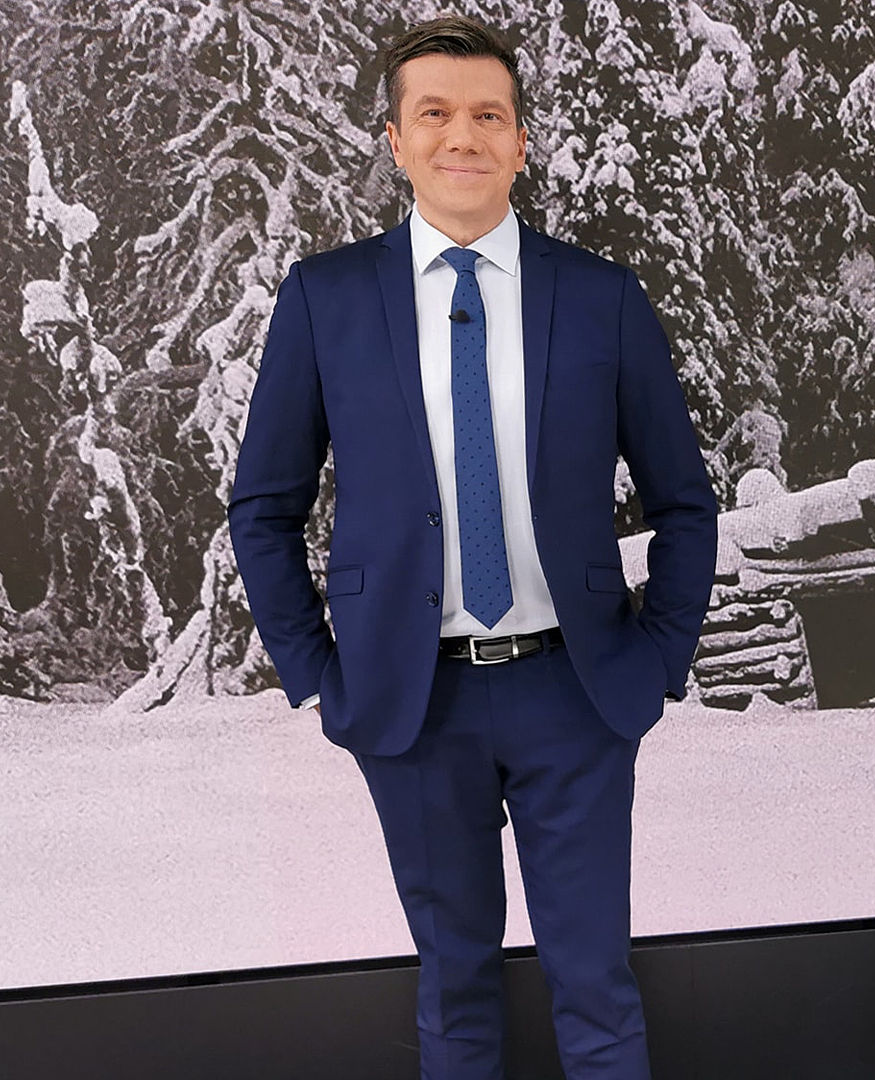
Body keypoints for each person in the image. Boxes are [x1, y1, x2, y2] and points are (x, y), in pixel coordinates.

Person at [226, 16, 718, 1079]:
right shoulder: (326, 299)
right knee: (453, 987)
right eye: (435, 113)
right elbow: (262, 508)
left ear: (521, 142)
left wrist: (659, 657)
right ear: (395, 141)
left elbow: (685, 501)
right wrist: (320, 676)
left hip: (576, 693)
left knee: (597, 985)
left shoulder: (600, 298)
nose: (464, 136)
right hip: (412, 705)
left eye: (489, 115)